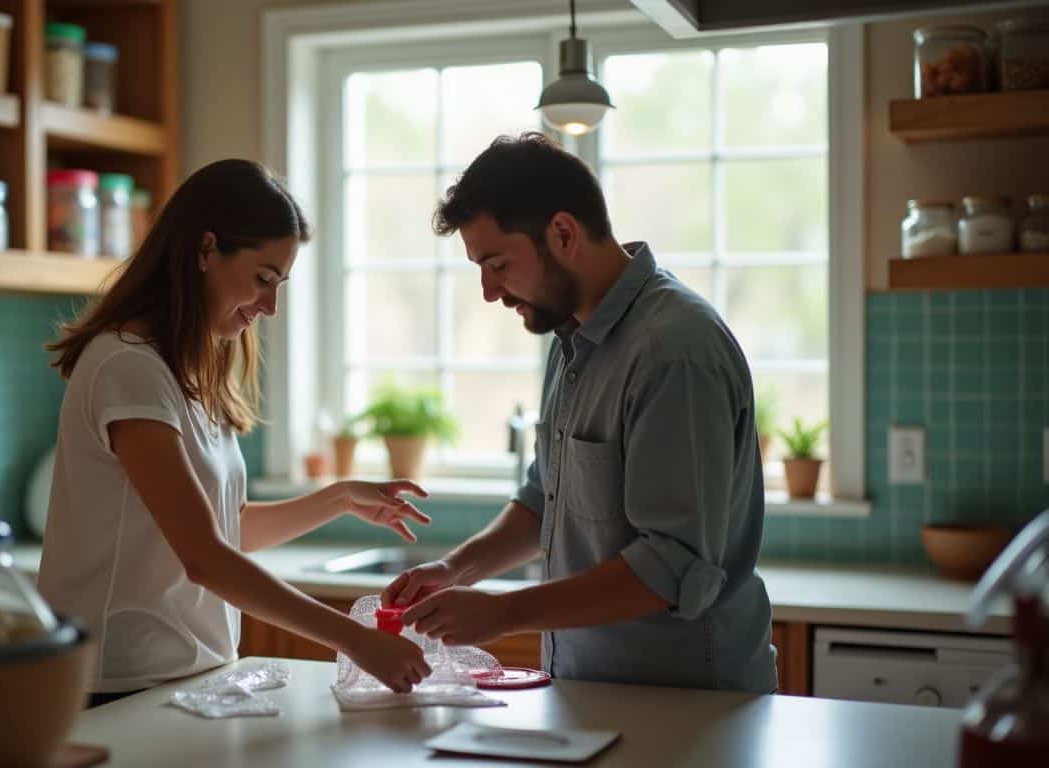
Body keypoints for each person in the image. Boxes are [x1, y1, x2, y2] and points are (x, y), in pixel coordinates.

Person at [381, 133, 776, 693]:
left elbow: (669, 566)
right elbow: (548, 497)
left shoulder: (674, 351)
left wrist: (501, 613)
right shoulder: (569, 337)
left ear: (563, 233)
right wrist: (456, 570)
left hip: (685, 705)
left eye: (497, 263)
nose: (489, 291)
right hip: (588, 691)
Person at [40, 159, 433, 706]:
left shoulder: (192, 370)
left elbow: (227, 530)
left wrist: (341, 497)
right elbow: (202, 555)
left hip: (187, 679)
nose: (269, 306)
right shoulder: (126, 367)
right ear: (205, 251)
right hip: (116, 683)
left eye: (279, 284)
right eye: (262, 279)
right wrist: (354, 640)